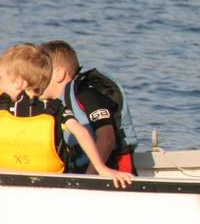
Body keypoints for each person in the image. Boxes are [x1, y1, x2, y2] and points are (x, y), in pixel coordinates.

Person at [0, 44, 132, 189]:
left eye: (1, 78)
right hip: (49, 182)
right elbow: (81, 133)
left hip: (7, 182)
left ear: (18, 82)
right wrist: (100, 168)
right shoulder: (54, 108)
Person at [39, 40, 138, 175]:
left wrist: (88, 178)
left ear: (59, 74)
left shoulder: (86, 94)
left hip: (114, 176)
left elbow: (107, 138)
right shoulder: (51, 104)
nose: (34, 79)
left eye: (40, 72)